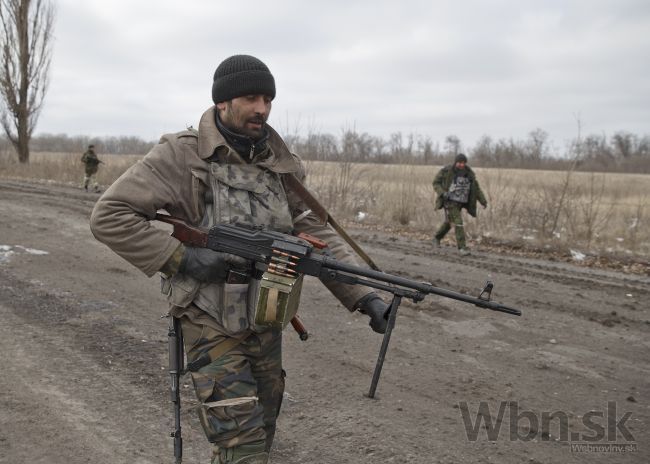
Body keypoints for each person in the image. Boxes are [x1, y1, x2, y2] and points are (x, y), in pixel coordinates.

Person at [89, 54, 389, 464]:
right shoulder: (182, 155)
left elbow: (310, 232)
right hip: (209, 321)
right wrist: (182, 258)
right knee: (242, 449)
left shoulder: (277, 162)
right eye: (251, 98)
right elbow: (110, 215)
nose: (262, 109)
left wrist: (363, 295)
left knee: (261, 437)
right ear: (222, 103)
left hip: (266, 319)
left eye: (268, 99)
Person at [432, 153, 487, 255]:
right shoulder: (447, 171)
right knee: (458, 221)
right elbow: (435, 182)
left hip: (461, 202)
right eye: (460, 162)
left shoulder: (469, 173)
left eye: (464, 163)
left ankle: (436, 237)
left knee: (449, 222)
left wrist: (483, 201)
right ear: (456, 162)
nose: (462, 165)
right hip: (449, 201)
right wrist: (442, 193)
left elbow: (476, 189)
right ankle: (462, 248)